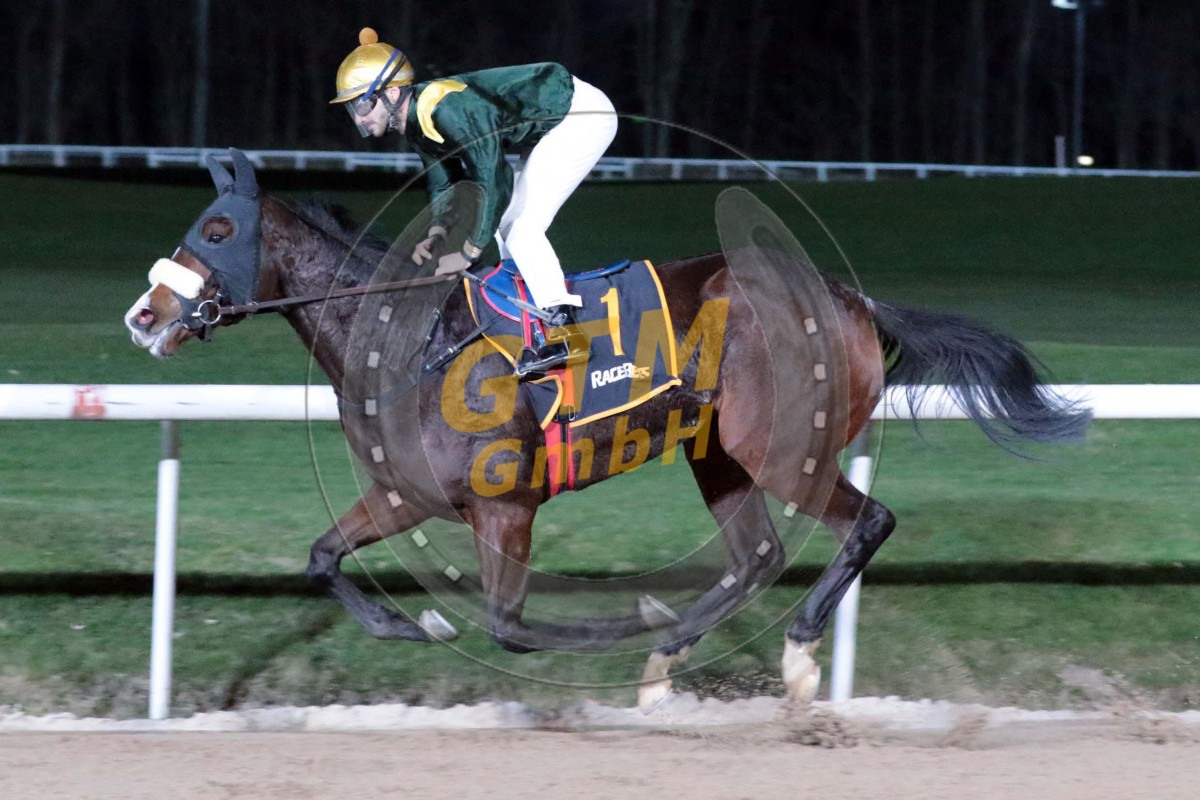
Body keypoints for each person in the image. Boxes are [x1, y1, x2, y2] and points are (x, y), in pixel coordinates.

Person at [330, 27, 618, 376]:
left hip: (582, 116)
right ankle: (533, 325)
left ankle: (566, 331)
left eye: (363, 104)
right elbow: (445, 186)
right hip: (554, 122)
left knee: (520, 229)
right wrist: (437, 236)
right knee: (505, 229)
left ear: (392, 93)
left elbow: (494, 179)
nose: (359, 118)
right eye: (352, 108)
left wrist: (468, 251)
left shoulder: (447, 109)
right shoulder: (416, 120)